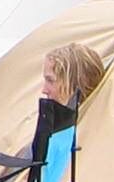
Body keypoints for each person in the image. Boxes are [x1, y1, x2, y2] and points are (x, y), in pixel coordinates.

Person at [29, 42, 106, 170]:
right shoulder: (53, 130)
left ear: (76, 84)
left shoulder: (93, 136)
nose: (44, 90)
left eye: (50, 80)